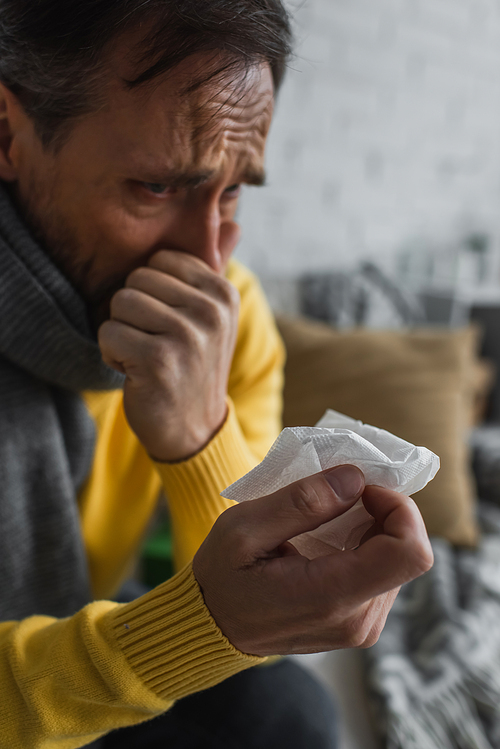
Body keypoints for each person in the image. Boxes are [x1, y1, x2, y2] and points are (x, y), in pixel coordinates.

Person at [0, 1, 434, 747]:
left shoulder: (236, 322)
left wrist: (198, 436)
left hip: (76, 640)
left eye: (232, 191)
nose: (209, 259)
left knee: (288, 714)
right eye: (158, 187)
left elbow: (254, 615)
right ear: (9, 132)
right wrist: (169, 641)